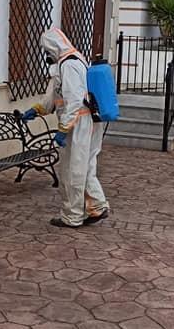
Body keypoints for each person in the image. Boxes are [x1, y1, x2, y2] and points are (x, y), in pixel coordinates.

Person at [21, 27, 109, 228]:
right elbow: (56, 95)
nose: (46, 55)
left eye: (47, 50)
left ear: (53, 47)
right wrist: (37, 110)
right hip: (87, 122)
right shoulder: (73, 61)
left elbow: (74, 100)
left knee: (72, 170)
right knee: (85, 167)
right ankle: (96, 205)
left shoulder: (69, 65)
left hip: (78, 123)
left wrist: (63, 129)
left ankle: (73, 216)